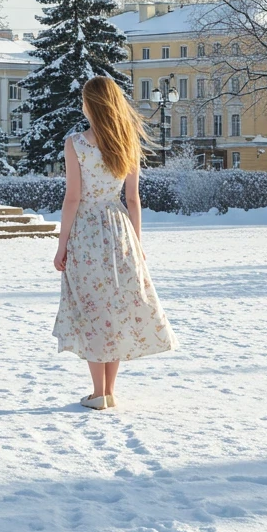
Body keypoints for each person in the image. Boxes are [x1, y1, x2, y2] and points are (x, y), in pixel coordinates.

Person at [53, 75, 177, 410]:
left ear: (90, 104)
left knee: (94, 310)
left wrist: (61, 244)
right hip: (120, 230)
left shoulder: (76, 143)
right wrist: (136, 243)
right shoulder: (128, 142)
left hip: (88, 233)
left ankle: (98, 393)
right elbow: (133, 199)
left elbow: (73, 199)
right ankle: (109, 390)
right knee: (114, 311)